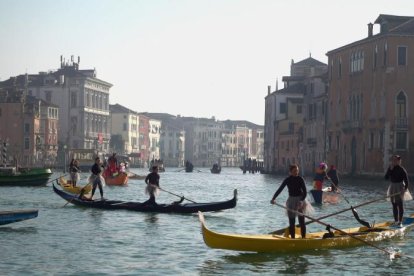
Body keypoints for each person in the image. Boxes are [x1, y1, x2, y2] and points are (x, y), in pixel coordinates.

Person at [270, 164, 313, 239]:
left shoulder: (300, 179)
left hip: (300, 200)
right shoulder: (287, 179)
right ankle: (293, 239)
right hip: (291, 201)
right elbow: (280, 189)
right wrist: (273, 198)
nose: (296, 172)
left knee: (301, 221)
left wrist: (301, 201)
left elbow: (305, 192)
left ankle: (303, 238)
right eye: (294, 171)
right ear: (290, 172)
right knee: (292, 222)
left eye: (297, 170)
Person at [384, 155, 412, 226]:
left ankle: (400, 221)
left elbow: (406, 181)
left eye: (396, 160)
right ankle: (396, 221)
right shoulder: (390, 168)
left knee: (400, 204)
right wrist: (390, 170)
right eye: (393, 160)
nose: (394, 161)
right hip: (392, 187)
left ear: (399, 161)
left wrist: (404, 189)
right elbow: (386, 178)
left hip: (400, 188)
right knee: (394, 204)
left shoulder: (402, 169)